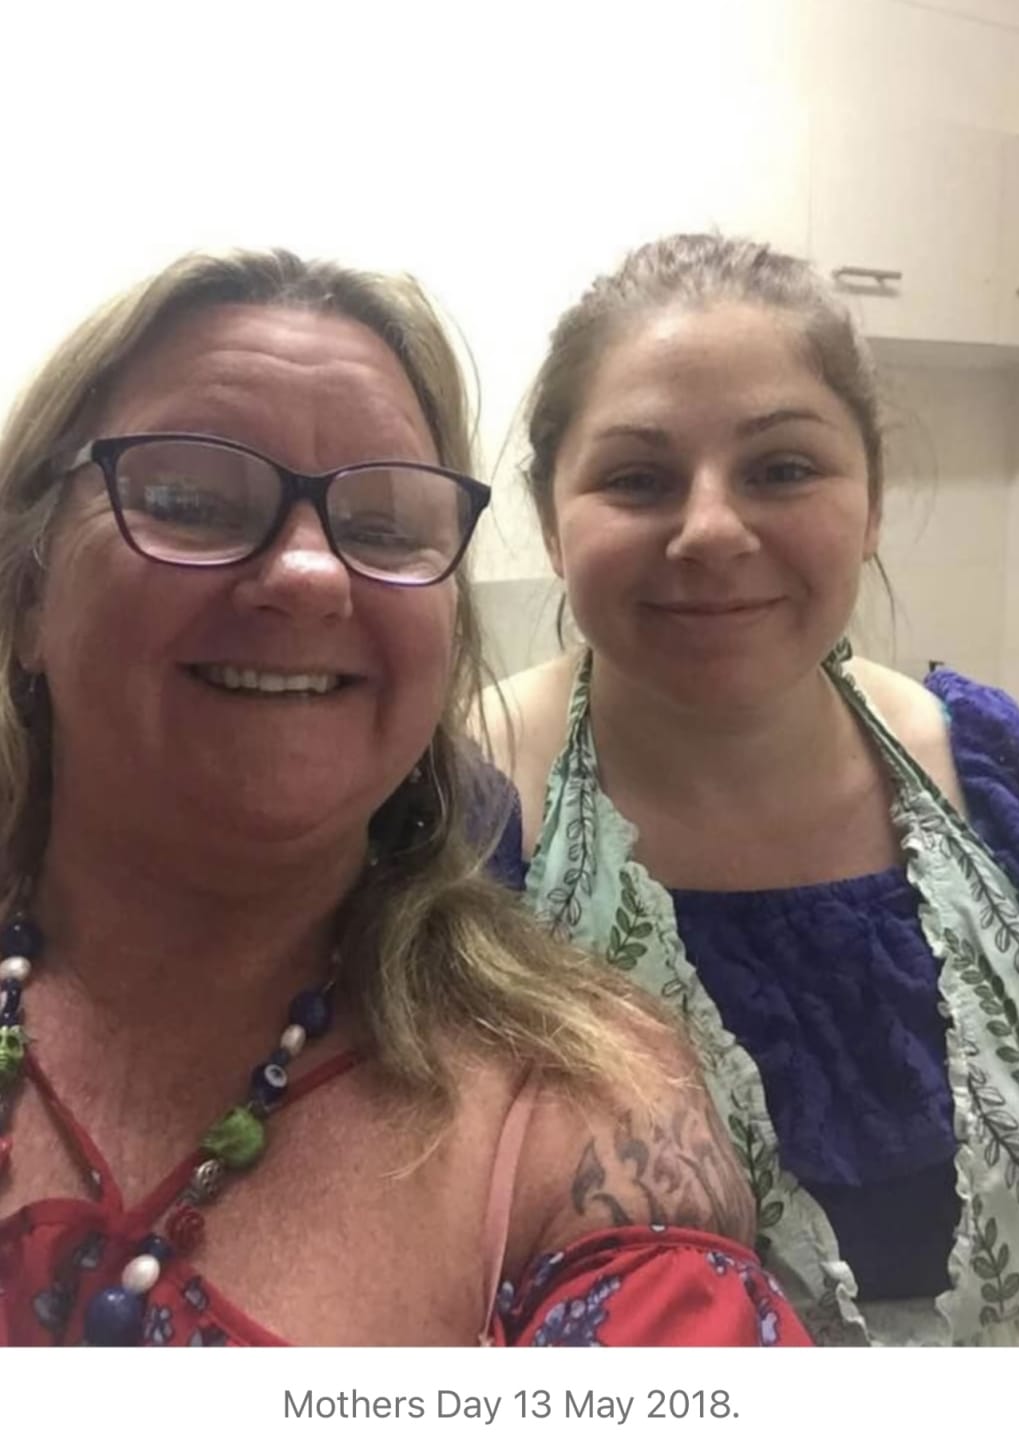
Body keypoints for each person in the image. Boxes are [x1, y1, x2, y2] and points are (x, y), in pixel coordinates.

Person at [0, 248, 809, 1349]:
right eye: (192, 500)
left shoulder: (580, 1113)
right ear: (28, 591)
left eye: (382, 527)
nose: (309, 575)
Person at [483, 233, 1019, 1347]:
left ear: (871, 501)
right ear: (549, 517)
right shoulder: (456, 814)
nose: (712, 530)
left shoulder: (993, 769)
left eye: (781, 469)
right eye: (638, 479)